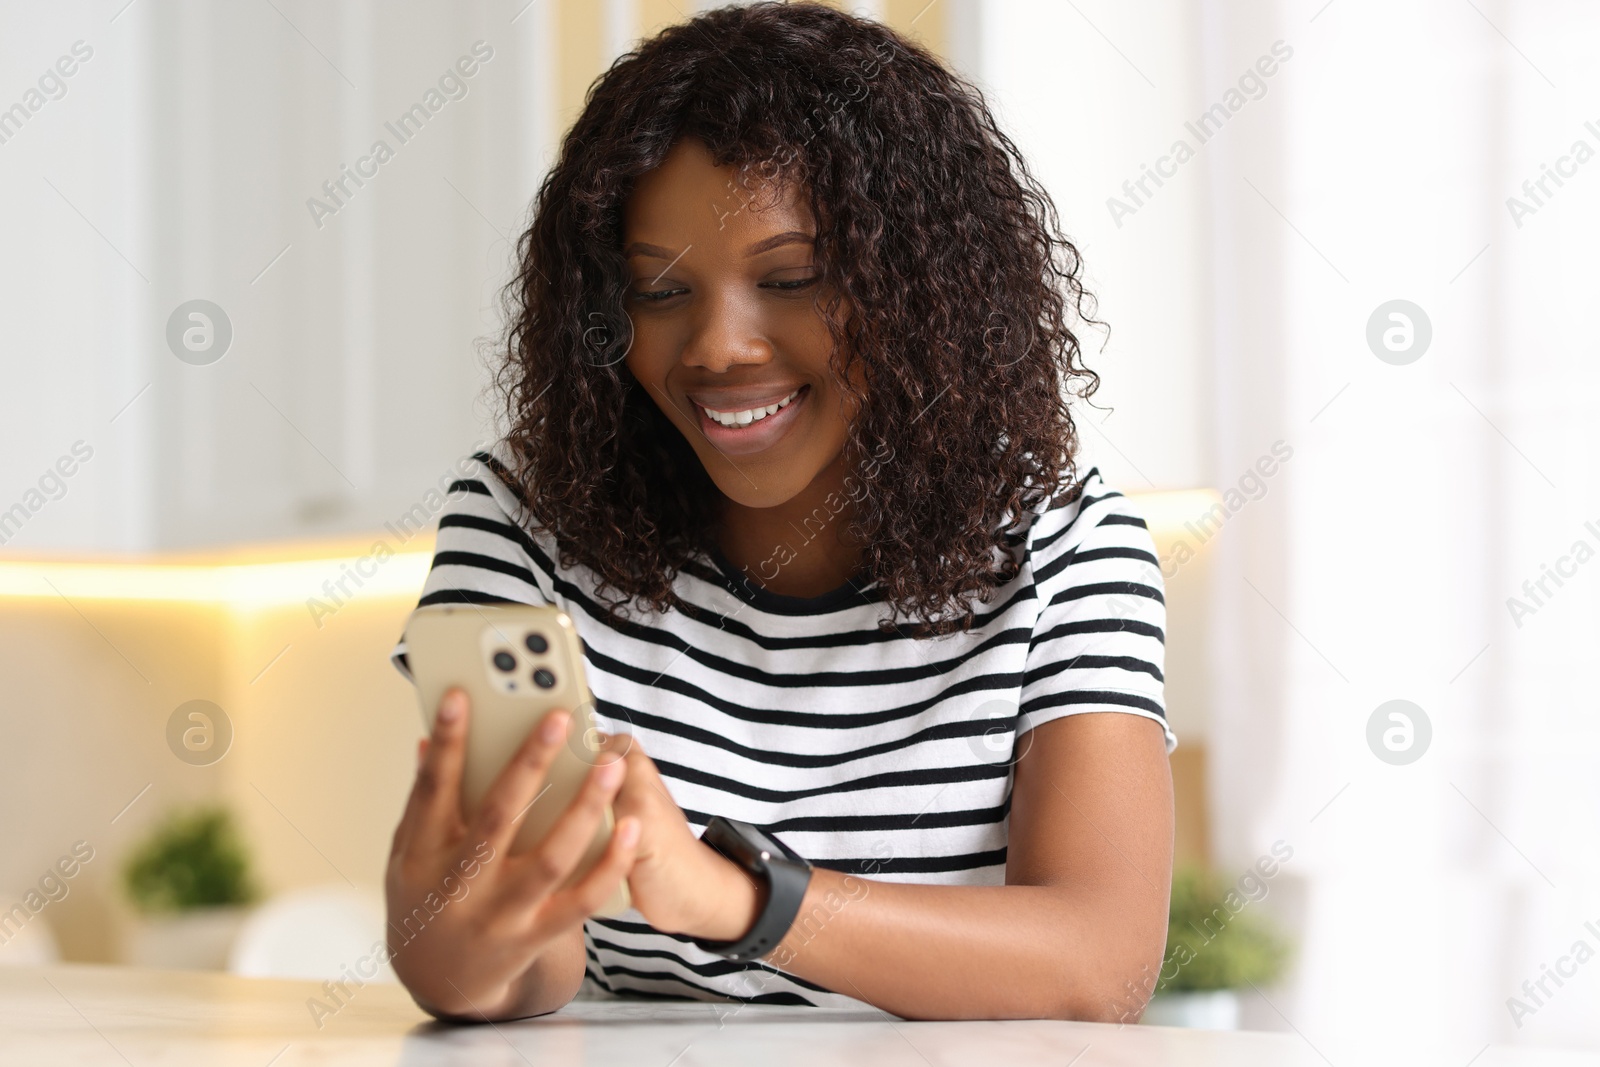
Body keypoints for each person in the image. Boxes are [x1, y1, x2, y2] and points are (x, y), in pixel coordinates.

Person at [384, 1, 1174, 1024]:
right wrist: (452, 940)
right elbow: (524, 963)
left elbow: (1098, 964)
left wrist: (740, 898)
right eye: (659, 293)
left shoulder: (1065, 545)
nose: (717, 346)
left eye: (790, 277)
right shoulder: (526, 518)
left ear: (922, 285)